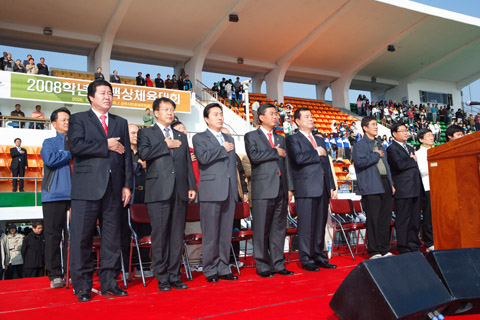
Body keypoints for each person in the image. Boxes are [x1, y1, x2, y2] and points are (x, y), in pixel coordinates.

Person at [68, 79, 133, 302]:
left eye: (110, 93)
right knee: (82, 238)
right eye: (103, 93)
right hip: (86, 188)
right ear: (91, 97)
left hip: (114, 189)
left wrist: (127, 185)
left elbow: (127, 157)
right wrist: (105, 144)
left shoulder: (120, 122)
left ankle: (109, 282)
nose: (107, 96)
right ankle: (83, 285)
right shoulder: (78, 119)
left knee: (112, 238)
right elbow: (75, 147)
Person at [137, 97, 196, 291]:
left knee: (176, 235)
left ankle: (174, 274)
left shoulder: (181, 136)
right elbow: (144, 154)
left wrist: (191, 186)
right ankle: (161, 276)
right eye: (165, 109)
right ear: (155, 113)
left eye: (172, 109)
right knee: (160, 235)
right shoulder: (146, 133)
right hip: (158, 191)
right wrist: (165, 145)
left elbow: (187, 162)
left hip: (179, 191)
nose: (169, 113)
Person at [244, 103, 294, 278]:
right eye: (272, 114)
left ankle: (278, 263)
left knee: (279, 229)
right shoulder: (251, 136)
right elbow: (254, 157)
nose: (275, 116)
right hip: (263, 189)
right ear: (261, 117)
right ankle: (262, 264)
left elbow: (286, 165)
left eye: (276, 114)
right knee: (261, 229)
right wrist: (274, 152)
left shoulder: (281, 138)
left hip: (281, 189)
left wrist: (289, 188)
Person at [192, 103, 239, 283]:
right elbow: (203, 158)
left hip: (228, 191)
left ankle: (223, 267)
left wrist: (235, 191)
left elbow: (232, 167)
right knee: (211, 233)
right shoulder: (199, 138)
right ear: (206, 118)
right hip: (211, 191)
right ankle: (210, 269)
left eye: (221, 114)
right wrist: (222, 149)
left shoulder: (229, 138)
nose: (220, 117)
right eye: (215, 114)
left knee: (226, 233)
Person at [286, 107, 336, 271]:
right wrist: (316, 152)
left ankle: (319, 255)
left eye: (312, 116)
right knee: (306, 224)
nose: (311, 119)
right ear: (298, 121)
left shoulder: (319, 139)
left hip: (322, 186)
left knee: (320, 223)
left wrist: (332, 185)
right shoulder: (293, 139)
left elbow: (327, 164)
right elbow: (299, 159)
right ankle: (306, 258)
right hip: (306, 187)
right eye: (307, 117)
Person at [352, 116, 395, 259]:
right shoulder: (360, 145)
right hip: (371, 185)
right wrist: (375, 155)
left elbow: (387, 166)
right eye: (373, 125)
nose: (376, 127)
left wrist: (391, 183)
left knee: (385, 218)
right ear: (365, 128)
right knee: (374, 219)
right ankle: (374, 250)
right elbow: (360, 162)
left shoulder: (381, 144)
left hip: (385, 183)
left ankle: (384, 248)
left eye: (377, 125)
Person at [40, 107, 72, 288]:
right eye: (63, 119)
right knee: (53, 236)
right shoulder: (49, 141)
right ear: (54, 123)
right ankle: (55, 275)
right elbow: (50, 159)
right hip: (53, 196)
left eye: (69, 120)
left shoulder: (77, 141)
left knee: (73, 236)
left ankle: (71, 272)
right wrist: (70, 153)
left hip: (75, 196)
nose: (67, 122)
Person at [387, 122, 422, 254]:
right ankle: (403, 246)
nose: (406, 132)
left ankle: (414, 244)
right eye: (402, 131)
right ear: (394, 134)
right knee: (404, 218)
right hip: (403, 188)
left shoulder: (409, 147)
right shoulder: (391, 149)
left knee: (415, 218)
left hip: (415, 187)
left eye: (406, 130)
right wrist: (412, 160)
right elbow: (399, 165)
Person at [416, 129, 434, 252]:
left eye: (432, 135)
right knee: (429, 216)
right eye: (428, 136)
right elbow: (422, 170)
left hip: (441, 186)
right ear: (421, 139)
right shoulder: (419, 153)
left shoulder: (438, 150)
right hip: (427, 186)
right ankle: (429, 242)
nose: (431, 137)